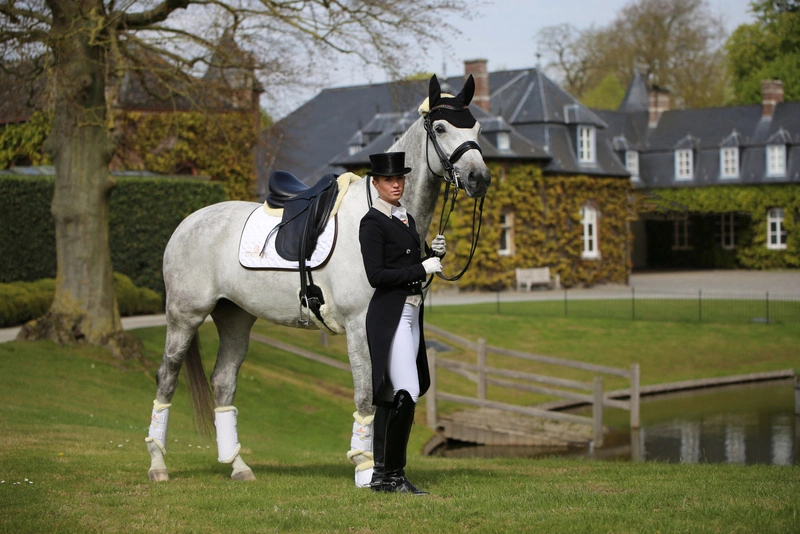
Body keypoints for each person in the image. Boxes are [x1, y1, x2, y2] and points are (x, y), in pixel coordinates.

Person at [359, 152, 446, 495]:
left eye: (400, 178)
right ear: (376, 184)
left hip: (411, 313)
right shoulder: (372, 222)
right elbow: (377, 275)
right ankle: (393, 476)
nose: (396, 184)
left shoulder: (406, 217)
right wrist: (421, 268)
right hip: (389, 315)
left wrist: (433, 255)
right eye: (388, 180)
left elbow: (411, 264)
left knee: (390, 394)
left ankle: (382, 476)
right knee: (406, 391)